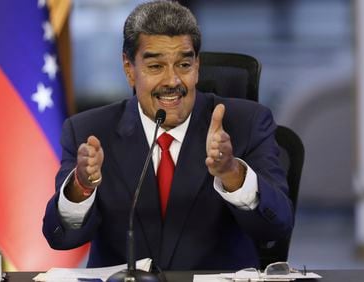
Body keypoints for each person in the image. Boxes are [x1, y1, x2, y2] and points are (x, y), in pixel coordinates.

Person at [43, 0, 293, 271]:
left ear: (197, 67)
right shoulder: (89, 132)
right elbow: (61, 237)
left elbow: (277, 227)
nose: (172, 81)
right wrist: (81, 187)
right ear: (129, 69)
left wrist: (233, 173)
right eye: (155, 67)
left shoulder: (247, 123)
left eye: (184, 65)